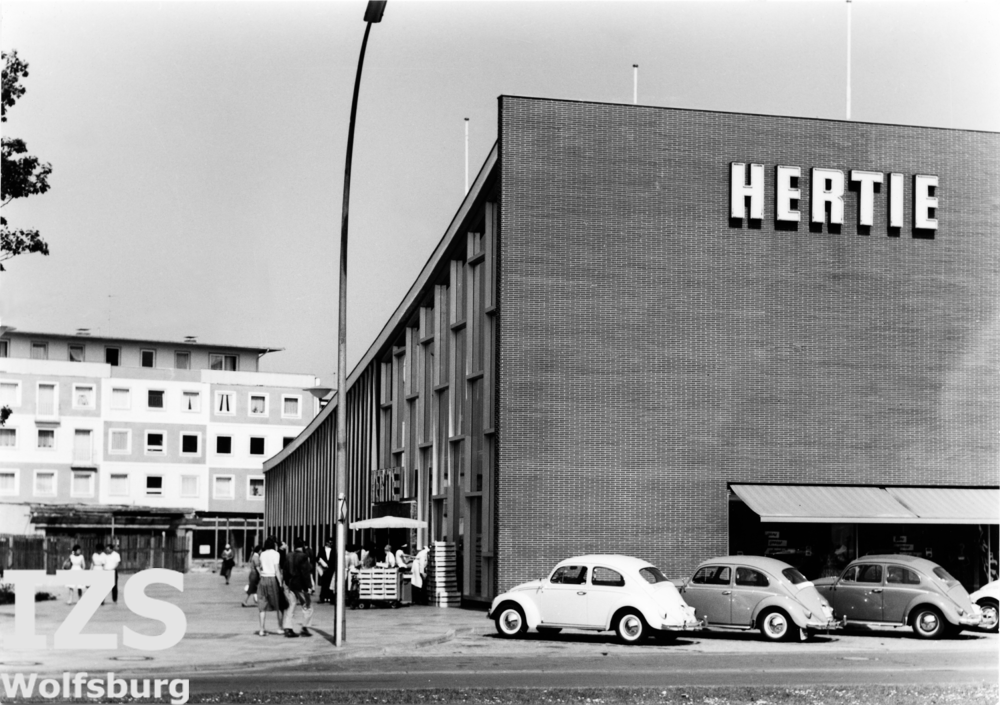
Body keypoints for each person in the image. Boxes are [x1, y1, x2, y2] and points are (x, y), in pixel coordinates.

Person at [286, 537, 314, 637]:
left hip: (291, 584)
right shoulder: (303, 556)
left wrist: (287, 582)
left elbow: (285, 570)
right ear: (303, 546)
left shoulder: (289, 555)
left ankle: (288, 628)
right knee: (308, 607)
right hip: (301, 585)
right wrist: (309, 586)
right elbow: (305, 572)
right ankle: (305, 628)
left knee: (292, 605)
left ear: (294, 545)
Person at [256, 537, 284, 636]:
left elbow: (261, 567)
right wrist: (280, 583)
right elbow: (276, 570)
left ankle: (261, 629)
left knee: (262, 605)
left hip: (263, 579)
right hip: (272, 579)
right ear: (274, 545)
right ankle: (280, 628)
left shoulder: (262, 554)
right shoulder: (276, 554)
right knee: (279, 605)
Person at [277, 540, 298, 638]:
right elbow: (281, 568)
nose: (286, 545)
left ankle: (282, 626)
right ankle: (284, 626)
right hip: (283, 580)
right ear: (281, 545)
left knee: (284, 604)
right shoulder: (281, 554)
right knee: (289, 603)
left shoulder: (282, 554)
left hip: (282, 579)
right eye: (284, 543)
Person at [317, 538, 335, 604]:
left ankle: (331, 598)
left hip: (331, 568)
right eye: (330, 542)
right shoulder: (322, 549)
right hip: (323, 568)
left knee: (331, 583)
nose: (331, 544)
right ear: (326, 543)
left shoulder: (333, 549)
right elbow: (318, 557)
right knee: (324, 583)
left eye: (332, 543)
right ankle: (322, 598)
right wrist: (322, 563)